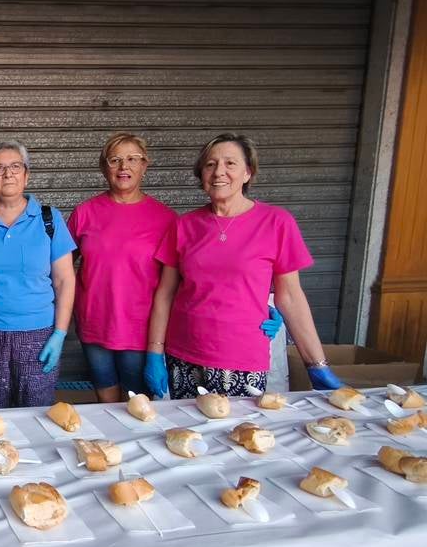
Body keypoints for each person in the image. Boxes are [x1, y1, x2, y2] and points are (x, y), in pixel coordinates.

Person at [143, 133, 342, 399]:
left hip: (241, 358)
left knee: (239, 436)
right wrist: (155, 352)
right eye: (210, 164)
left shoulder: (276, 223)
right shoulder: (184, 225)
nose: (218, 172)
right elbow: (165, 293)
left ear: (248, 172)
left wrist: (316, 363)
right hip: (184, 356)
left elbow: (291, 297)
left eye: (230, 164)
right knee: (188, 436)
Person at [66, 132, 176, 402]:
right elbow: (62, 270)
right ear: (104, 167)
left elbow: (176, 284)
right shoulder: (85, 213)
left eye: (132, 159)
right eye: (115, 160)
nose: (123, 166)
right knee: (106, 404)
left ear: (144, 165)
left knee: (138, 407)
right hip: (94, 327)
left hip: (140, 332)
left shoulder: (166, 219)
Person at [0, 141, 75, 408]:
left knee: (36, 413)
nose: (8, 174)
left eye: (15, 166)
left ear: (26, 174)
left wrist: (60, 333)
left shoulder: (50, 219)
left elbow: (64, 280)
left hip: (37, 333)